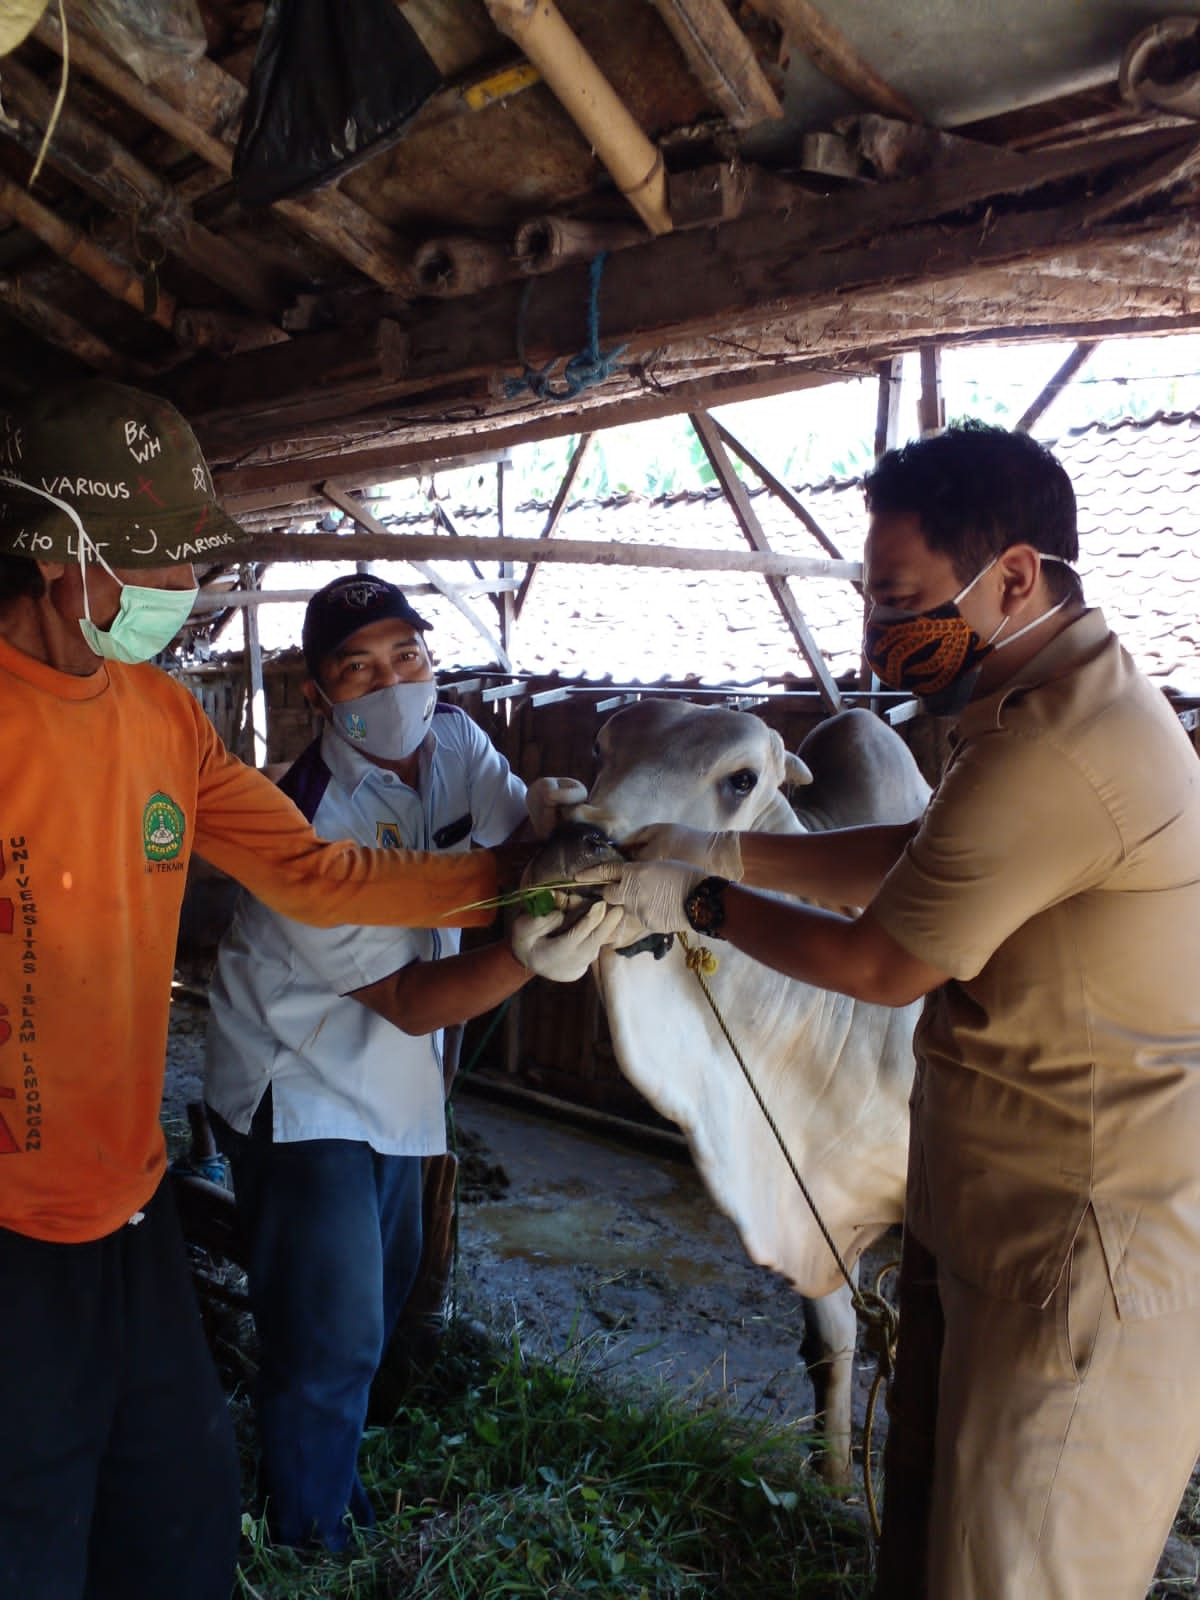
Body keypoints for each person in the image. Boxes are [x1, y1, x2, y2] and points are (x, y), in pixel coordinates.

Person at [0, 378, 617, 1600]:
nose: (180, 593)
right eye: (151, 563)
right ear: (51, 554)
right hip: (16, 1214)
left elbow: (320, 873)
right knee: (32, 1520)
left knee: (180, 1508)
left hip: (127, 1195)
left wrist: (521, 875)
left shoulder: (165, 713)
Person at [580, 423, 1200, 1600]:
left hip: (1080, 1251)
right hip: (997, 1220)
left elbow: (879, 966)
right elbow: (919, 848)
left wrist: (702, 897)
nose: (880, 636)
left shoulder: (1058, 749)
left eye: (901, 600)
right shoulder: (1029, 702)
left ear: (1015, 576)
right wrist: (729, 847)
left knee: (1013, 1571)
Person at [204, 572, 607, 1551]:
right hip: (300, 1084)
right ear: (319, 693)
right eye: (359, 666)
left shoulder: (459, 741)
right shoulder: (307, 817)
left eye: (407, 655)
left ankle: (335, 1483)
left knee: (377, 1309)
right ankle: (309, 1538)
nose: (392, 682)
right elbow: (411, 995)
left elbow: (515, 842)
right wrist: (526, 950)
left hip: (395, 1084)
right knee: (330, 1331)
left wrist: (557, 820)